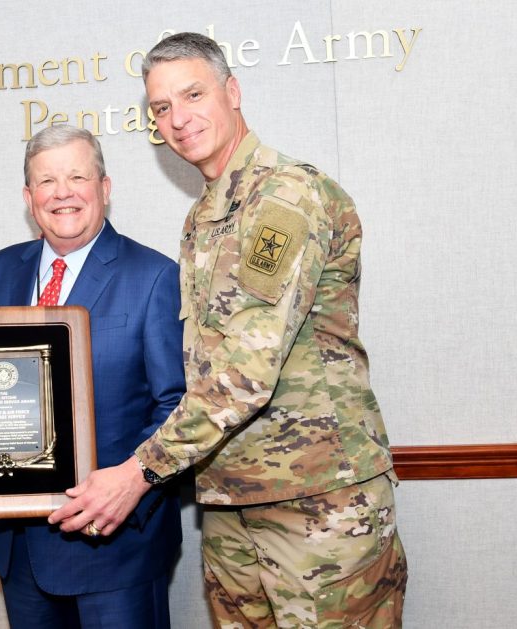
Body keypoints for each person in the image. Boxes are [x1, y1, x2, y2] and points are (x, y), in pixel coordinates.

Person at [48, 33, 408, 628]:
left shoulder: (285, 195)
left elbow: (244, 373)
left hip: (316, 504)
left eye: (192, 94)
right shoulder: (206, 214)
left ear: (232, 92)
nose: (178, 118)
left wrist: (138, 471)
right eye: (160, 108)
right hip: (231, 497)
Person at [0, 125, 184, 629]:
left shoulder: (153, 275)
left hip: (116, 543)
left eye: (77, 176)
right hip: (20, 547)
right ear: (30, 199)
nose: (62, 192)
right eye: (47, 181)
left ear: (105, 188)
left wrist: (128, 487)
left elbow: (176, 405)